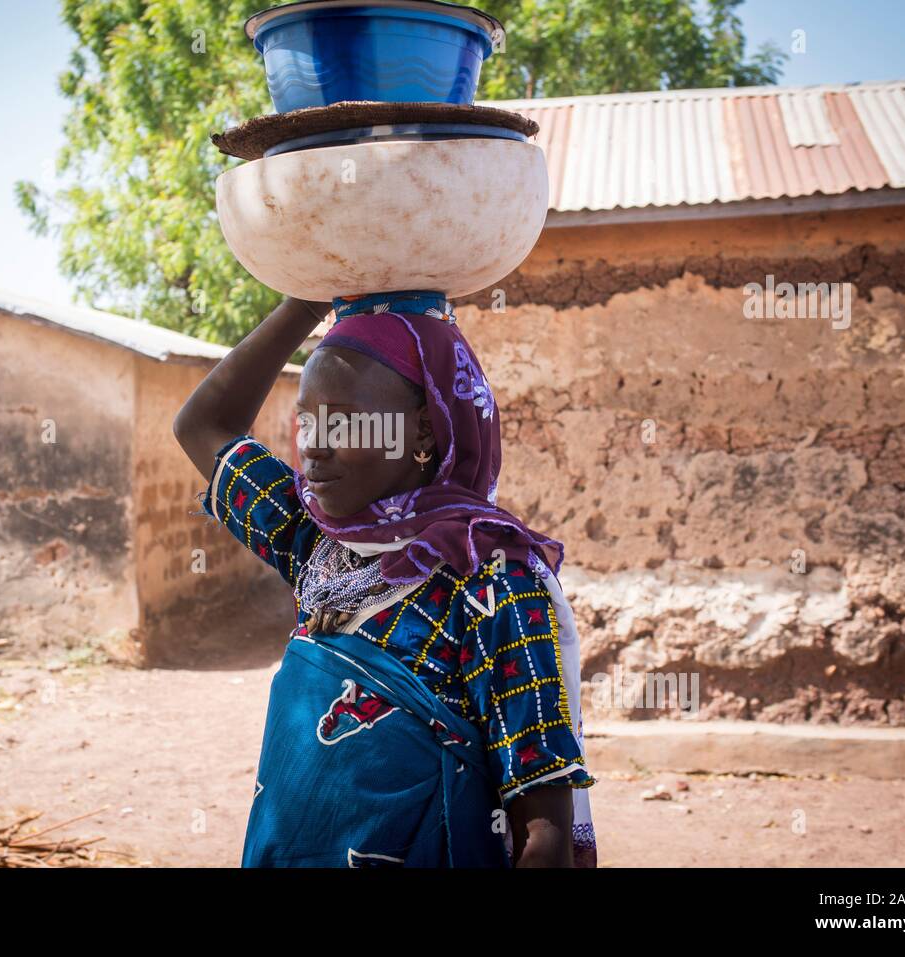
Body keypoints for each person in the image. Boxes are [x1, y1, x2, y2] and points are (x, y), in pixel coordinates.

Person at [173, 290, 596, 868]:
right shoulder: (316, 542)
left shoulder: (492, 581)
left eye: (343, 424)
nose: (313, 450)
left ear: (424, 433)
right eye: (306, 422)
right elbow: (203, 424)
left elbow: (543, 839)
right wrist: (304, 301)